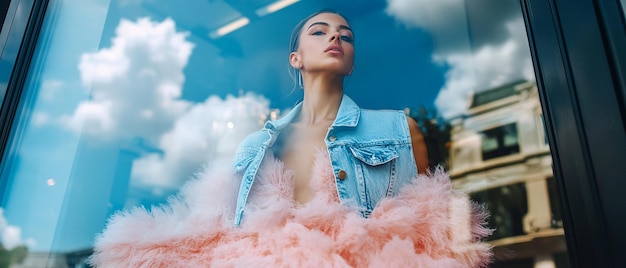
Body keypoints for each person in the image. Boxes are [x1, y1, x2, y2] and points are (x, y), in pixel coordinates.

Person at [90, 10, 492, 267]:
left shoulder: (398, 129)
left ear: (351, 63)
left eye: (346, 36)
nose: (336, 38)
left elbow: (434, 227)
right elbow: (220, 229)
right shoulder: (256, 146)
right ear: (295, 60)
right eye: (320, 32)